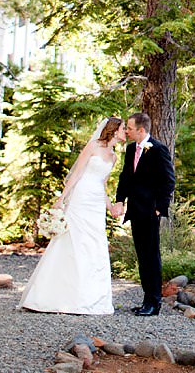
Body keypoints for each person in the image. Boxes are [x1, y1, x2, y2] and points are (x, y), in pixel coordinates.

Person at [19, 116, 123, 315]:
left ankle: (91, 298)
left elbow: (103, 184)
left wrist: (109, 207)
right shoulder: (93, 146)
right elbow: (76, 174)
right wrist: (62, 198)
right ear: (114, 130)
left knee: (94, 244)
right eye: (123, 128)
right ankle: (54, 295)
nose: (125, 131)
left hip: (96, 203)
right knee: (73, 241)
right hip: (81, 197)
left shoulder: (113, 156)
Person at [108, 112, 175, 316]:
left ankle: (154, 303)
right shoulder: (130, 149)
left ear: (141, 130)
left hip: (150, 211)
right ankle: (147, 299)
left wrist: (159, 208)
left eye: (129, 128)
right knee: (142, 256)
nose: (126, 131)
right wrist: (120, 200)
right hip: (135, 211)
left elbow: (169, 181)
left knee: (151, 256)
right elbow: (125, 178)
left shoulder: (158, 149)